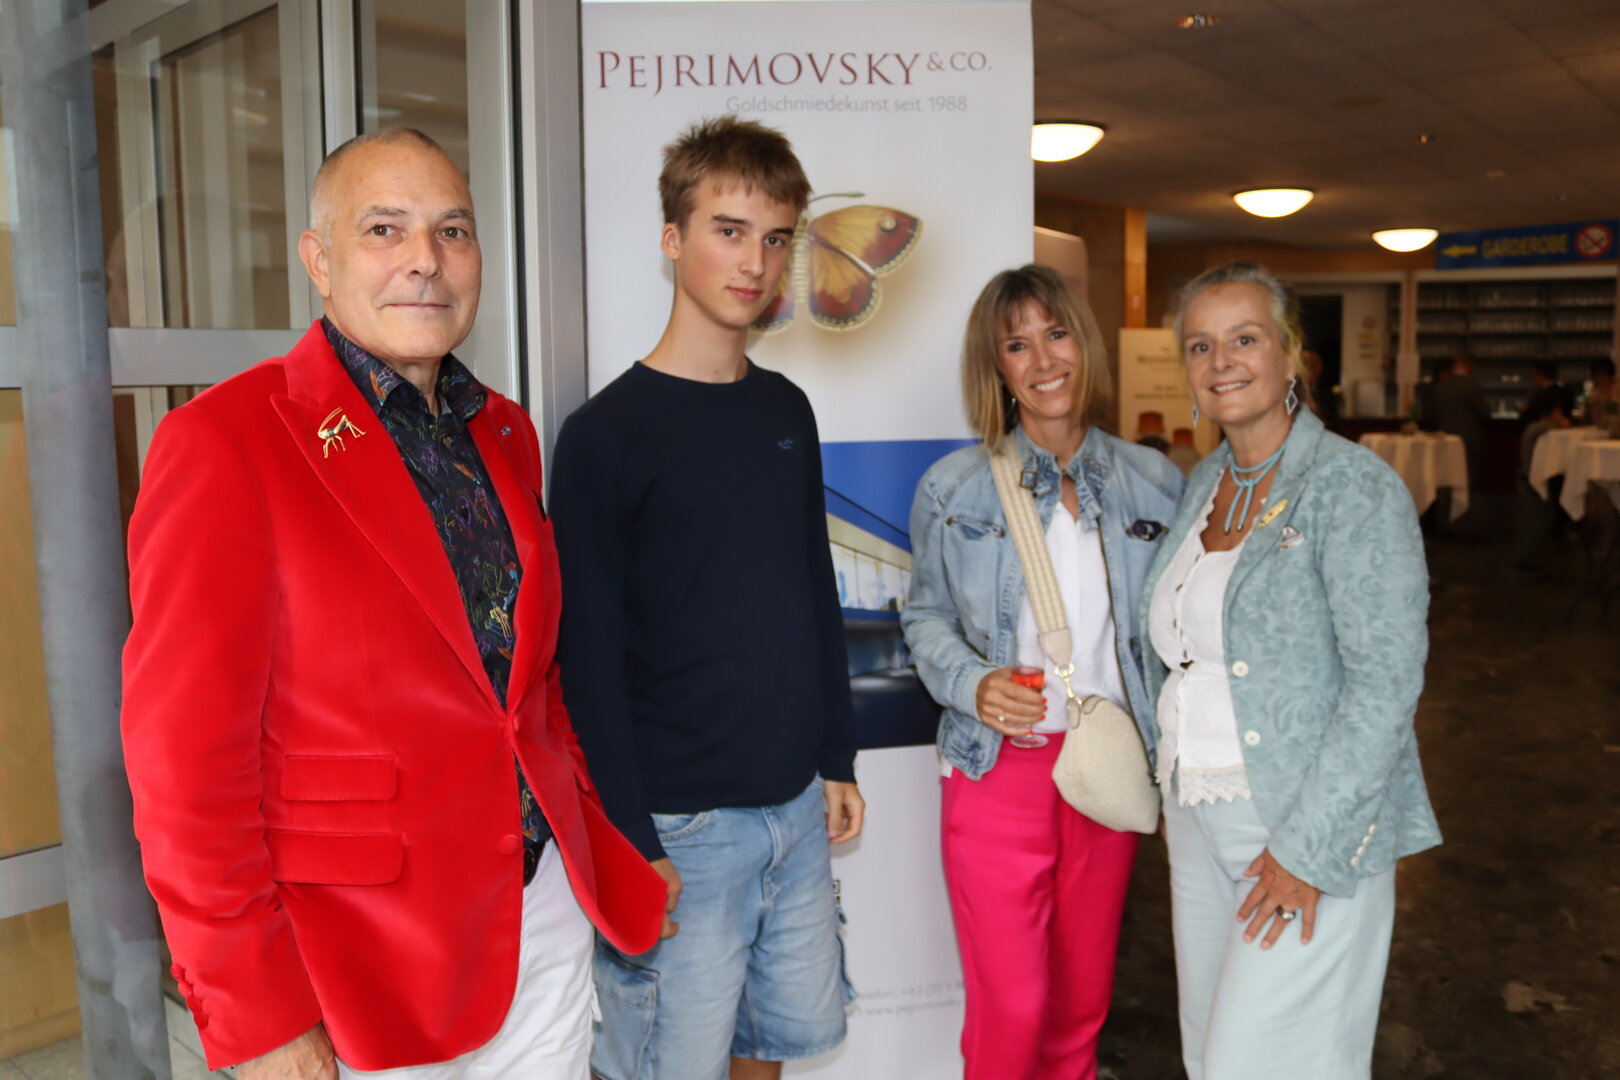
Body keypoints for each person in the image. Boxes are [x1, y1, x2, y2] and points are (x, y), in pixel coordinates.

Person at [121, 128, 666, 1080]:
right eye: (385, 229)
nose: (425, 259)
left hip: (539, 915)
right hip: (362, 956)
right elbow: (184, 764)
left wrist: (588, 831)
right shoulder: (226, 441)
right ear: (318, 260)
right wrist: (257, 1014)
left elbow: (527, 683)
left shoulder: (503, 432)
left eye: (452, 230)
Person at [548, 116, 863, 1080]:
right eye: (729, 231)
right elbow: (587, 661)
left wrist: (835, 757)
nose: (755, 262)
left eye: (776, 239)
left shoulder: (786, 410)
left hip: (795, 810)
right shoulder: (604, 436)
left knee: (771, 1052)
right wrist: (632, 838)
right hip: (681, 827)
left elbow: (814, 591)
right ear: (672, 237)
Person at [1143, 261, 1441, 1079]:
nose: (1221, 362)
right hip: (1198, 817)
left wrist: (1307, 850)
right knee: (1210, 1053)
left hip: (1300, 824)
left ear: (1290, 355)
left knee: (1265, 1062)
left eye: (1244, 339)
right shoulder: (1206, 481)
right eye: (1200, 346)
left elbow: (1386, 682)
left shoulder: (1352, 486)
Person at [901, 264, 1184, 1080]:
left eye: (1056, 334)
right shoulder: (954, 487)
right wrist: (971, 683)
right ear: (997, 368)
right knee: (1014, 1008)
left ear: (1084, 344)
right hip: (999, 771)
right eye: (1017, 345)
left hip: (1108, 769)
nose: (1043, 359)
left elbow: (1174, 637)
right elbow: (924, 616)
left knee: (1080, 1006)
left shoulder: (1155, 481)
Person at [1580, 358, 1619, 434]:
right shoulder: (1594, 397)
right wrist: (1588, 407)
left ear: (1609, 376)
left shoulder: (1617, 391)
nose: (1598, 379)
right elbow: (1586, 422)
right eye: (1596, 376)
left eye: (1601, 375)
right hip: (1601, 434)